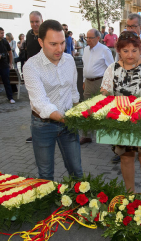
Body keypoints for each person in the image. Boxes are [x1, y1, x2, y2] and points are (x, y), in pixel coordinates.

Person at [100, 31, 141, 194]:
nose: (130, 55)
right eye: (125, 51)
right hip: (122, 123)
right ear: (119, 51)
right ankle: (130, 195)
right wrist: (105, 97)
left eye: (134, 50)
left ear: (140, 49)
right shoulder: (112, 69)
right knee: (126, 158)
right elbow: (104, 92)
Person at [24, 19, 83, 181]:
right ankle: (48, 206)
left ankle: (79, 203)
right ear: (40, 42)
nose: (59, 49)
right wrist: (67, 119)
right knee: (45, 174)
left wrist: (79, 112)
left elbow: (73, 91)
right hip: (43, 125)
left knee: (76, 170)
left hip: (68, 122)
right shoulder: (31, 66)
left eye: (62, 43)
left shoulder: (69, 60)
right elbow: (40, 103)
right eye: (53, 44)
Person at [80, 29, 114, 145]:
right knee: (87, 109)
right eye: (86, 38)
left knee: (103, 108)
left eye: (90, 38)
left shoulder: (104, 50)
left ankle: (107, 134)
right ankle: (87, 135)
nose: (88, 40)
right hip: (88, 83)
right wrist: (84, 80)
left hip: (101, 82)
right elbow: (85, 66)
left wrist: (108, 85)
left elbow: (112, 68)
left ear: (98, 38)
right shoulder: (85, 50)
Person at [25, 11, 44, 144]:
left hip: (46, 73)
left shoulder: (47, 34)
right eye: (32, 22)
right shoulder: (29, 34)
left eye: (37, 21)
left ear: (42, 20)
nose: (34, 24)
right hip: (33, 74)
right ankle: (36, 132)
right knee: (35, 104)